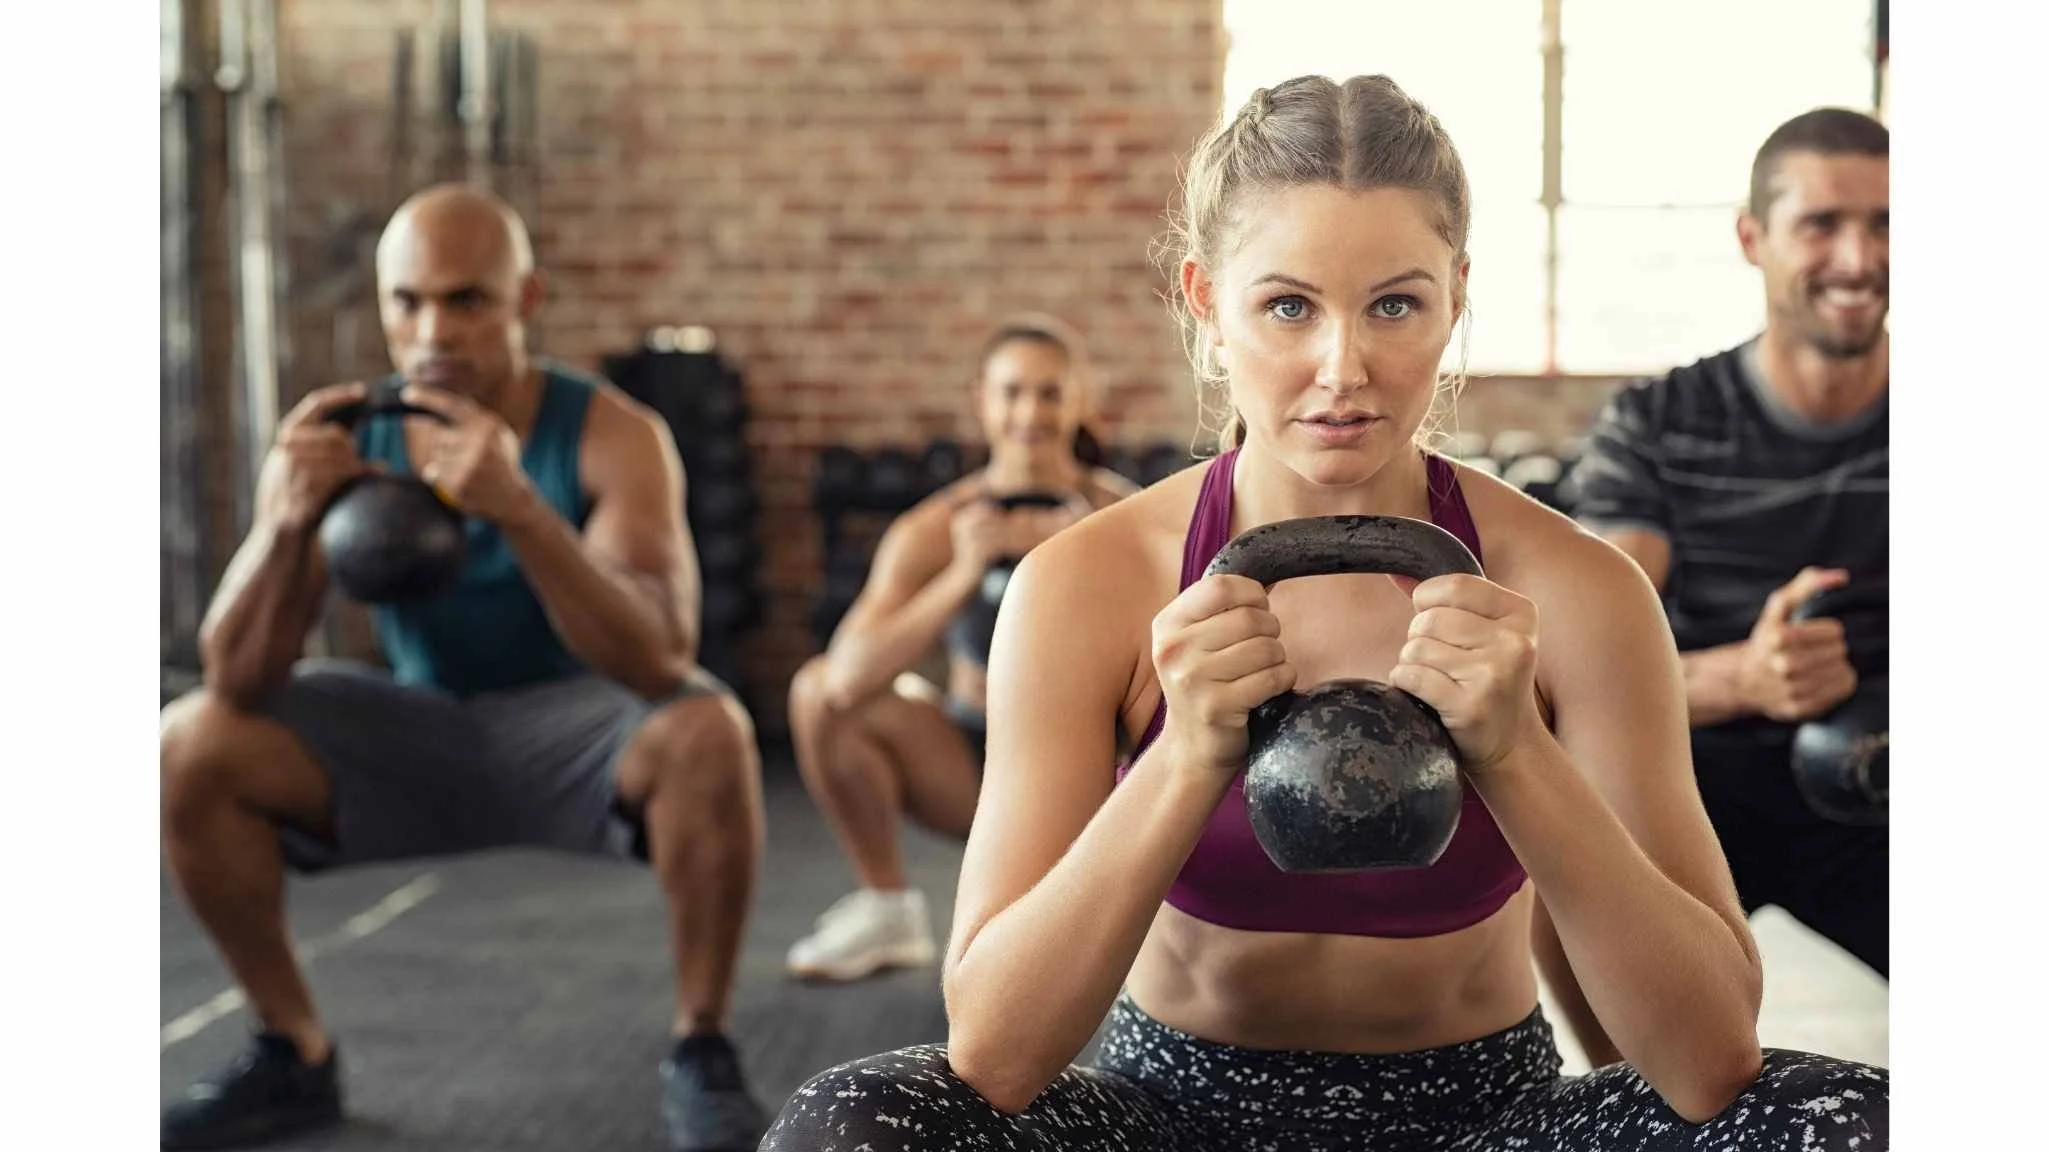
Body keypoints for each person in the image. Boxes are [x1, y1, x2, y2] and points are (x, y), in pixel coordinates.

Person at [760, 76, 1889, 1151]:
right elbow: (996, 1054)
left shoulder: (1578, 591)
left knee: (1859, 1124)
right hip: (1169, 1119)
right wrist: (1184, 756)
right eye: (1288, 306)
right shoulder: (1087, 584)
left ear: (1456, 297)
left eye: (1395, 303)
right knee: (853, 1125)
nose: (1341, 367)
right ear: (1208, 303)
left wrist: (1515, 752)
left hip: (1482, 1119)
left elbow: (1707, 1064)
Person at [159, 184, 772, 1152]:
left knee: (711, 729)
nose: (433, 330)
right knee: (189, 741)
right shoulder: (349, 438)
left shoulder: (615, 435)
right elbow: (235, 678)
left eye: (467, 301)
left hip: (578, 732)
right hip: (414, 730)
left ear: (527, 302)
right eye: (408, 303)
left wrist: (524, 510)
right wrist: (283, 525)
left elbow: (662, 659)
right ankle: (294, 1052)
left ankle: (702, 1046)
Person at [1540, 107, 1889, 1068]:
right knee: (1559, 829)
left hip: (1883, 794)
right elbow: (1574, 674)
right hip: (1691, 789)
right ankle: (1636, 1104)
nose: (1858, 259)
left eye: (1888, 224)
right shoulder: (1657, 424)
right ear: (1754, 238)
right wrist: (1745, 677)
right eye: (1822, 224)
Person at [784, 316, 1139, 982]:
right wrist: (961, 572)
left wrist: (1085, 562)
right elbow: (844, 679)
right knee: (813, 690)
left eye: (1047, 393)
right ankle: (887, 906)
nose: (1028, 413)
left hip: (1096, 769)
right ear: (981, 399)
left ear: (1081, 400)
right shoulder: (935, 528)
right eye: (1011, 393)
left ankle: (1155, 912)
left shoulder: (1124, 518)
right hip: (971, 761)